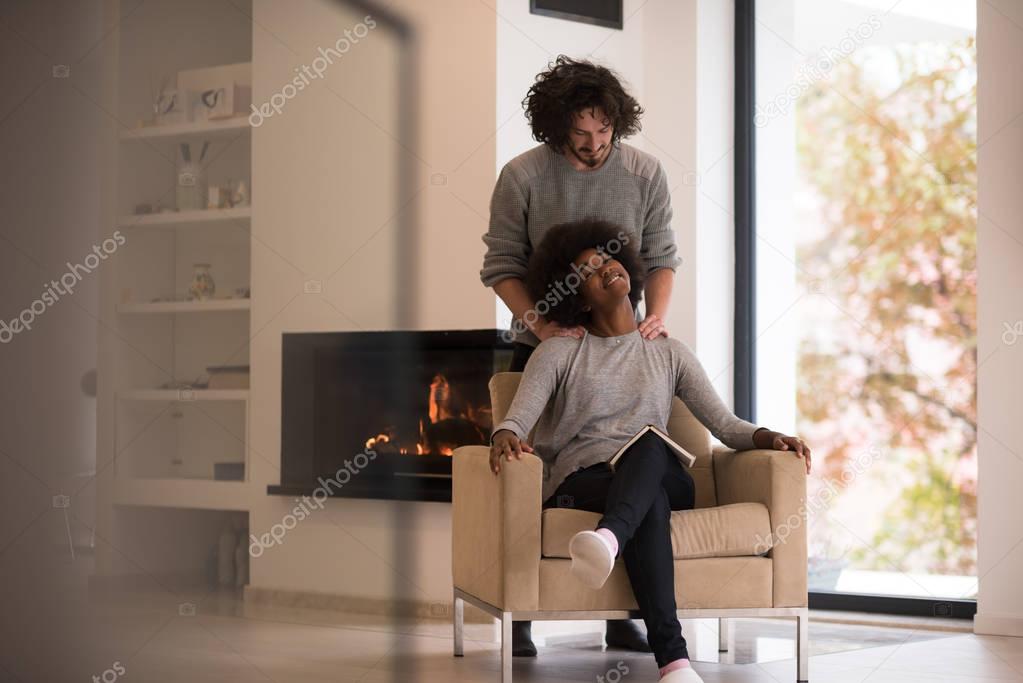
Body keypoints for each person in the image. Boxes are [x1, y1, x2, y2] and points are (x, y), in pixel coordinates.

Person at [488, 220, 812, 683]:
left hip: (657, 468)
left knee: (650, 446)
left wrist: (769, 436)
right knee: (649, 502)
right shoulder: (559, 352)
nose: (604, 269)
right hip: (586, 482)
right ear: (578, 297)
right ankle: (674, 663)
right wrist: (503, 434)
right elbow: (517, 420)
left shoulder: (668, 352)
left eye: (606, 259)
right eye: (587, 271)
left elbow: (724, 424)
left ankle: (608, 538)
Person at [480, 54, 681, 655]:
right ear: (555, 127)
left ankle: (623, 614)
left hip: (622, 348)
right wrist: (542, 327)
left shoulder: (644, 173)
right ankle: (520, 619)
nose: (595, 145)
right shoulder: (522, 176)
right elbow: (501, 266)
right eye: (580, 134)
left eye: (604, 131)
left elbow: (664, 254)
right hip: (546, 345)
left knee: (627, 461)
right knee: (531, 468)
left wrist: (655, 319)